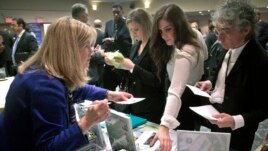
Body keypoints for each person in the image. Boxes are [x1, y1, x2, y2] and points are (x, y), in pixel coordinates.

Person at [0, 16, 132, 151]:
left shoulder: (41, 71)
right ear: (70, 50)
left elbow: (76, 89)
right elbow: (49, 147)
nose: (91, 51)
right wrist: (87, 122)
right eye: (87, 46)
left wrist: (109, 94)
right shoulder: (45, 86)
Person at [196, 1, 268, 151]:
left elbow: (264, 108)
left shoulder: (261, 60)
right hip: (216, 119)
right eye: (217, 30)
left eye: (226, 31)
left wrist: (234, 121)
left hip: (239, 133)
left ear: (245, 29)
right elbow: (222, 74)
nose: (219, 37)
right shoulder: (227, 46)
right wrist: (210, 82)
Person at [148, 4, 208, 151]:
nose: (163, 35)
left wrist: (164, 126)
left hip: (184, 96)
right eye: (161, 31)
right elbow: (205, 56)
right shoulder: (194, 34)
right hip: (189, 90)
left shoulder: (185, 51)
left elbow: (175, 90)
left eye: (168, 29)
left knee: (185, 140)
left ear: (179, 25)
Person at [106, 8, 166, 124]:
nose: (133, 33)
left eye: (136, 29)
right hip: (134, 103)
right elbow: (128, 72)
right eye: (131, 30)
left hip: (151, 106)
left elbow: (157, 80)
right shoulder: (136, 45)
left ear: (146, 26)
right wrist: (116, 63)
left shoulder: (157, 47)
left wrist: (133, 67)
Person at [71, 3, 105, 87]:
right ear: (83, 16)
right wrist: (97, 53)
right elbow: (79, 52)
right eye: (87, 15)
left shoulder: (68, 29)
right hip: (84, 73)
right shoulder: (80, 31)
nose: (88, 18)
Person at [102, 4, 132, 91]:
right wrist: (106, 41)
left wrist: (117, 42)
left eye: (118, 12)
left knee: (123, 88)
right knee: (108, 87)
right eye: (114, 12)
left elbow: (130, 42)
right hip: (111, 60)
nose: (116, 14)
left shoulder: (128, 24)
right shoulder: (108, 24)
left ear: (122, 12)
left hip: (123, 58)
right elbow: (104, 39)